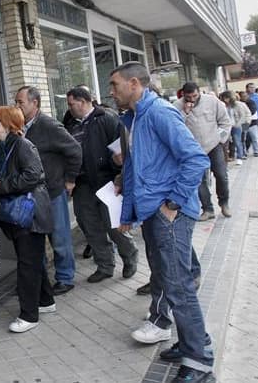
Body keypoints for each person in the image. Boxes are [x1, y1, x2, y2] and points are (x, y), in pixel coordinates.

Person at [110, 62, 215, 383]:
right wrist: (128, 213)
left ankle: (199, 362)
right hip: (152, 214)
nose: (111, 91)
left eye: (115, 85)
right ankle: (191, 342)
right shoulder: (135, 117)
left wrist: (172, 204)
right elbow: (133, 170)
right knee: (169, 282)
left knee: (179, 286)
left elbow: (196, 158)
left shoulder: (158, 113)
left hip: (169, 214)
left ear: (134, 84)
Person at [0, 106, 54, 333]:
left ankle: (29, 315)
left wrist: (1, 184)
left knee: (27, 265)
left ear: (8, 123)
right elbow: (9, 176)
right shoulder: (3, 147)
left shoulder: (22, 145)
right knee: (32, 260)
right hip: (18, 215)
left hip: (30, 214)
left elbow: (34, 175)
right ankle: (46, 301)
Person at [63, 87, 138, 283]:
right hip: (82, 183)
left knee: (114, 225)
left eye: (72, 104)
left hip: (107, 181)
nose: (69, 108)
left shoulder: (107, 118)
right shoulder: (69, 122)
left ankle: (130, 257)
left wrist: (119, 175)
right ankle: (105, 266)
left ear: (84, 101)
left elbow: (121, 150)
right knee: (90, 225)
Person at [15, 86, 82, 296]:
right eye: (16, 102)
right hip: (30, 194)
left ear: (34, 103)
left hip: (52, 191)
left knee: (59, 237)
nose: (17, 106)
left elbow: (75, 150)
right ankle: (39, 279)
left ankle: (65, 277)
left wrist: (70, 179)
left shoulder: (49, 125)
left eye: (20, 102)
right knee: (35, 238)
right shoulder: (20, 127)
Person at [173, 82, 232, 220]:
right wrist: (185, 112)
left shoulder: (212, 101)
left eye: (195, 95)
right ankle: (207, 209)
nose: (192, 99)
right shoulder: (177, 106)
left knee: (221, 175)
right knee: (199, 180)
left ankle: (224, 203)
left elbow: (225, 121)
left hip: (213, 145)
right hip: (193, 149)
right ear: (183, 94)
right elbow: (175, 126)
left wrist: (220, 139)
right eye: (189, 97)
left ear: (199, 92)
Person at [219, 91, 251, 166]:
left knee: (238, 140)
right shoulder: (223, 105)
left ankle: (240, 156)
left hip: (237, 125)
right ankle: (227, 157)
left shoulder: (238, 105)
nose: (225, 100)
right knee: (222, 139)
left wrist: (238, 125)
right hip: (226, 126)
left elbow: (242, 116)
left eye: (226, 98)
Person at [239, 91, 258, 156]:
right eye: (243, 96)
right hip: (245, 123)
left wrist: (244, 115)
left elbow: (252, 111)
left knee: (255, 137)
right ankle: (244, 151)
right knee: (244, 138)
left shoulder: (251, 102)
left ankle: (257, 151)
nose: (245, 97)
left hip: (253, 122)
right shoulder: (240, 103)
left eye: (246, 96)